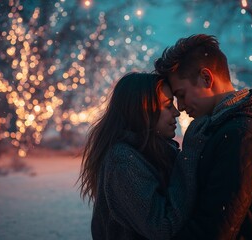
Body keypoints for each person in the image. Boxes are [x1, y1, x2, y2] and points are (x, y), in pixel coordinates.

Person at [154, 34, 252, 239]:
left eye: (181, 94)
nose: (181, 107)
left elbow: (212, 231)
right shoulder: (226, 129)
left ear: (206, 78)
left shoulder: (241, 136)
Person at [78, 72, 206, 239]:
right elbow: (163, 227)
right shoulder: (122, 162)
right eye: (168, 106)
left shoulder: (155, 151)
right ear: (141, 110)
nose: (176, 112)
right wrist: (190, 154)